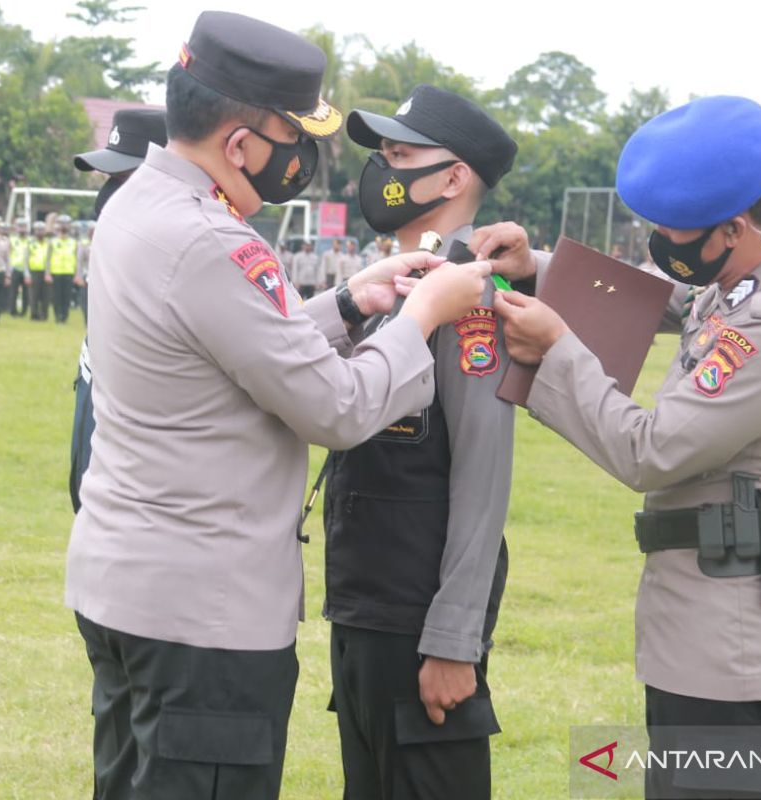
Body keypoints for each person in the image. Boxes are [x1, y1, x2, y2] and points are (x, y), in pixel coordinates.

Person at [64, 12, 491, 800]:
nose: (303, 158)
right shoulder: (217, 242)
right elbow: (337, 408)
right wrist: (424, 313)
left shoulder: (137, 205)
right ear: (239, 144)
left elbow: (236, 341)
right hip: (203, 620)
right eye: (293, 138)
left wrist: (350, 303)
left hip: (126, 589)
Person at [482, 95, 761, 799]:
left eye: (672, 232)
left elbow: (650, 451)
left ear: (734, 226)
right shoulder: (737, 281)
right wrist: (535, 270)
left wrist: (556, 354)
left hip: (734, 655)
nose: (660, 244)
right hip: (702, 635)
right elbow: (645, 300)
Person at [322, 83, 518, 800]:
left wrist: (454, 639)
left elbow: (482, 475)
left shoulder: (468, 299)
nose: (384, 171)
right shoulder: (400, 286)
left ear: (455, 177)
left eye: (401, 156)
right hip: (364, 606)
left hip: (418, 619)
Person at [68, 108, 170, 513]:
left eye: (122, 179)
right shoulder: (117, 259)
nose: (108, 195)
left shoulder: (181, 275)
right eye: (108, 180)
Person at [47, 214, 78, 323]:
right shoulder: (53, 241)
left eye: (66, 224)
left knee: (66, 296)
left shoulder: (74, 242)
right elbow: (48, 258)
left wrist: (76, 275)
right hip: (56, 272)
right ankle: (57, 316)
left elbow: (77, 259)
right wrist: (48, 273)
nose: (64, 227)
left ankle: (64, 316)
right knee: (56, 296)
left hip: (69, 272)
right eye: (62, 224)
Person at [25, 221, 51, 321]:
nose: (40, 232)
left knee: (45, 295)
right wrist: (27, 274)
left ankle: (44, 315)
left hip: (45, 272)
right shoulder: (30, 243)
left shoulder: (49, 243)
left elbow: (49, 259)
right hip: (34, 272)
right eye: (37, 230)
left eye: (41, 230)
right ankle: (34, 314)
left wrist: (48, 273)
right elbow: (26, 260)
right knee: (33, 295)